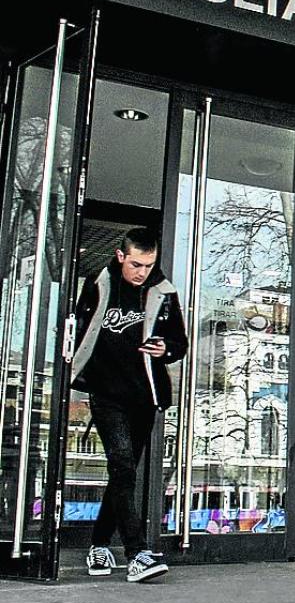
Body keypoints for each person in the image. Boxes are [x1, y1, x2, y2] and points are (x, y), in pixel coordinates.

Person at [72, 227, 187, 583]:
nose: (142, 272)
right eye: (136, 264)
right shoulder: (97, 284)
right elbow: (76, 328)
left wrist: (165, 350)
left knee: (123, 472)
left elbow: (179, 342)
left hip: (144, 395)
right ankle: (136, 553)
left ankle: (98, 543)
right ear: (121, 256)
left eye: (149, 265)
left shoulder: (164, 292)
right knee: (121, 465)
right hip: (106, 393)